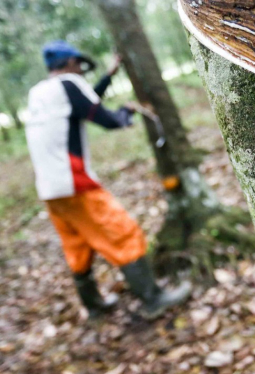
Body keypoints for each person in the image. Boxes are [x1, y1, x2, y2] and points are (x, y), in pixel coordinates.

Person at [25, 40, 190, 320]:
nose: (80, 71)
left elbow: (85, 105)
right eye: (79, 65)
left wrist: (110, 75)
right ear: (68, 64)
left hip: (50, 188)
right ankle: (153, 299)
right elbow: (107, 119)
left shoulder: (40, 92)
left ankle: (94, 306)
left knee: (77, 244)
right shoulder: (68, 83)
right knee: (121, 232)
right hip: (74, 181)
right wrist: (126, 113)